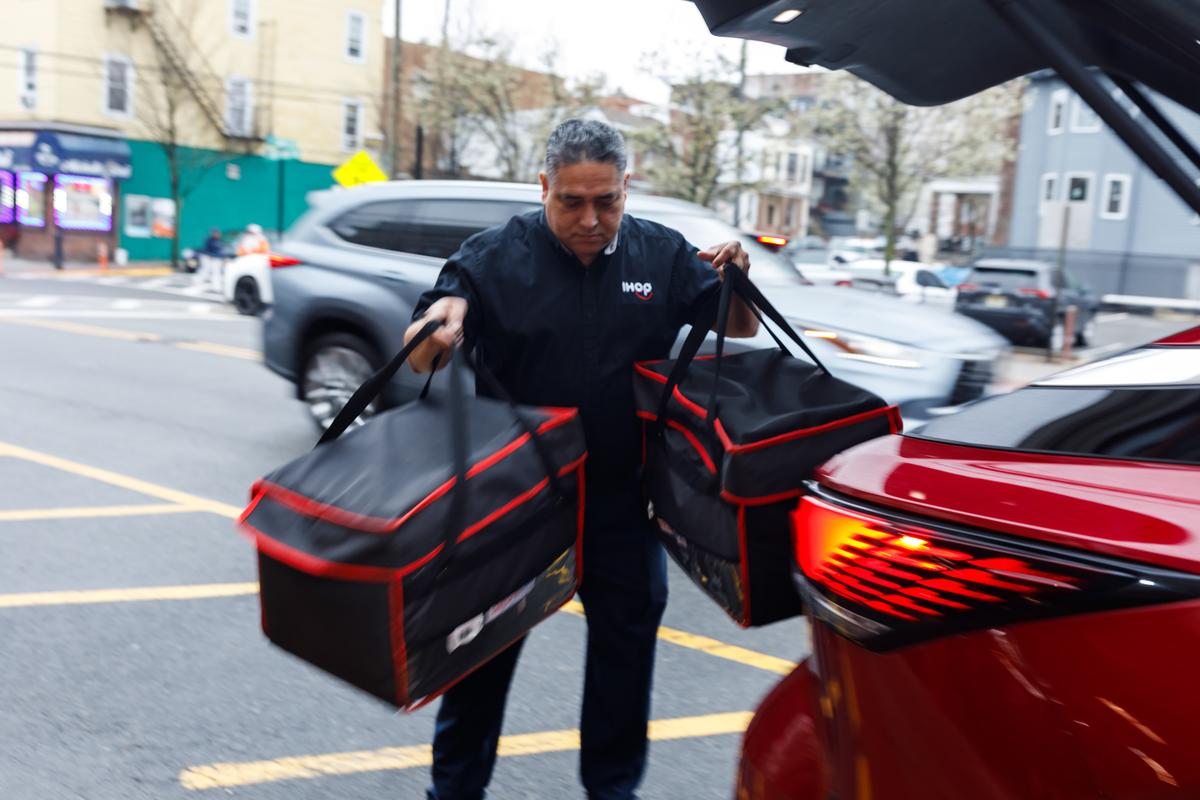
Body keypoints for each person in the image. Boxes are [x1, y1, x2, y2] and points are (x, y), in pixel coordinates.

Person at [403, 118, 758, 800]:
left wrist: (738, 278)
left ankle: (612, 790)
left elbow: (735, 325)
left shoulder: (660, 254)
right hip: (515, 504)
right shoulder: (493, 255)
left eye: (607, 201)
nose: (591, 219)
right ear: (544, 187)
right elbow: (422, 347)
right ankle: (454, 793)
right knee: (480, 663)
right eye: (572, 201)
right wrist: (437, 328)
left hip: (622, 503)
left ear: (627, 188)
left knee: (625, 664)